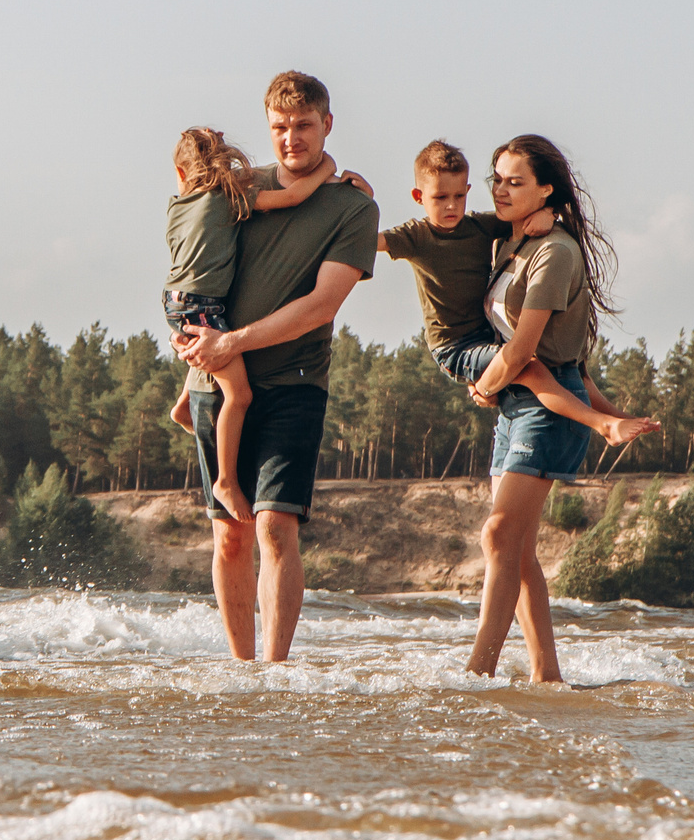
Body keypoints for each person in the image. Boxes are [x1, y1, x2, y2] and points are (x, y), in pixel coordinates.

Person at [173, 72, 379, 663]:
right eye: (281, 127)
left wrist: (233, 341)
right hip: (213, 379)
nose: (292, 138)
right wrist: (193, 339)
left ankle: (275, 671)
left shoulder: (353, 206)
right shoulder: (236, 189)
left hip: (295, 381)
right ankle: (244, 672)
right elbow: (191, 261)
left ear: (327, 124)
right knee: (229, 536)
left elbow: (322, 305)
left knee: (274, 527)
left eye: (304, 126)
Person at [461, 133, 631, 685]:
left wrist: (485, 383)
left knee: (498, 536)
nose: (501, 190)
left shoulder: (555, 252)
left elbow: (524, 349)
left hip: (546, 406)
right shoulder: (512, 242)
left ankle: (478, 672)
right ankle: (547, 675)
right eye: (497, 180)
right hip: (514, 406)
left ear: (546, 191)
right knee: (517, 550)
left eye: (516, 182)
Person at [380, 139, 661, 448]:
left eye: (459, 196)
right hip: (454, 347)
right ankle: (602, 424)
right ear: (418, 196)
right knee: (530, 367)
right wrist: (357, 196)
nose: (451, 205)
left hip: (487, 337)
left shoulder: (479, 226)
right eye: (440, 197)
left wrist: (549, 212)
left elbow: (525, 214)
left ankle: (619, 418)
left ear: (468, 190)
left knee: (571, 371)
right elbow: (367, 241)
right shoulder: (416, 235)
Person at [165, 127, 319, 525]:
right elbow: (292, 197)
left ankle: (184, 405)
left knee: (209, 350)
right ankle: (226, 481)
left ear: (181, 173)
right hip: (202, 306)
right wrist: (327, 168)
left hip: (175, 302)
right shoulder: (227, 198)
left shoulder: (176, 205)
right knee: (239, 395)